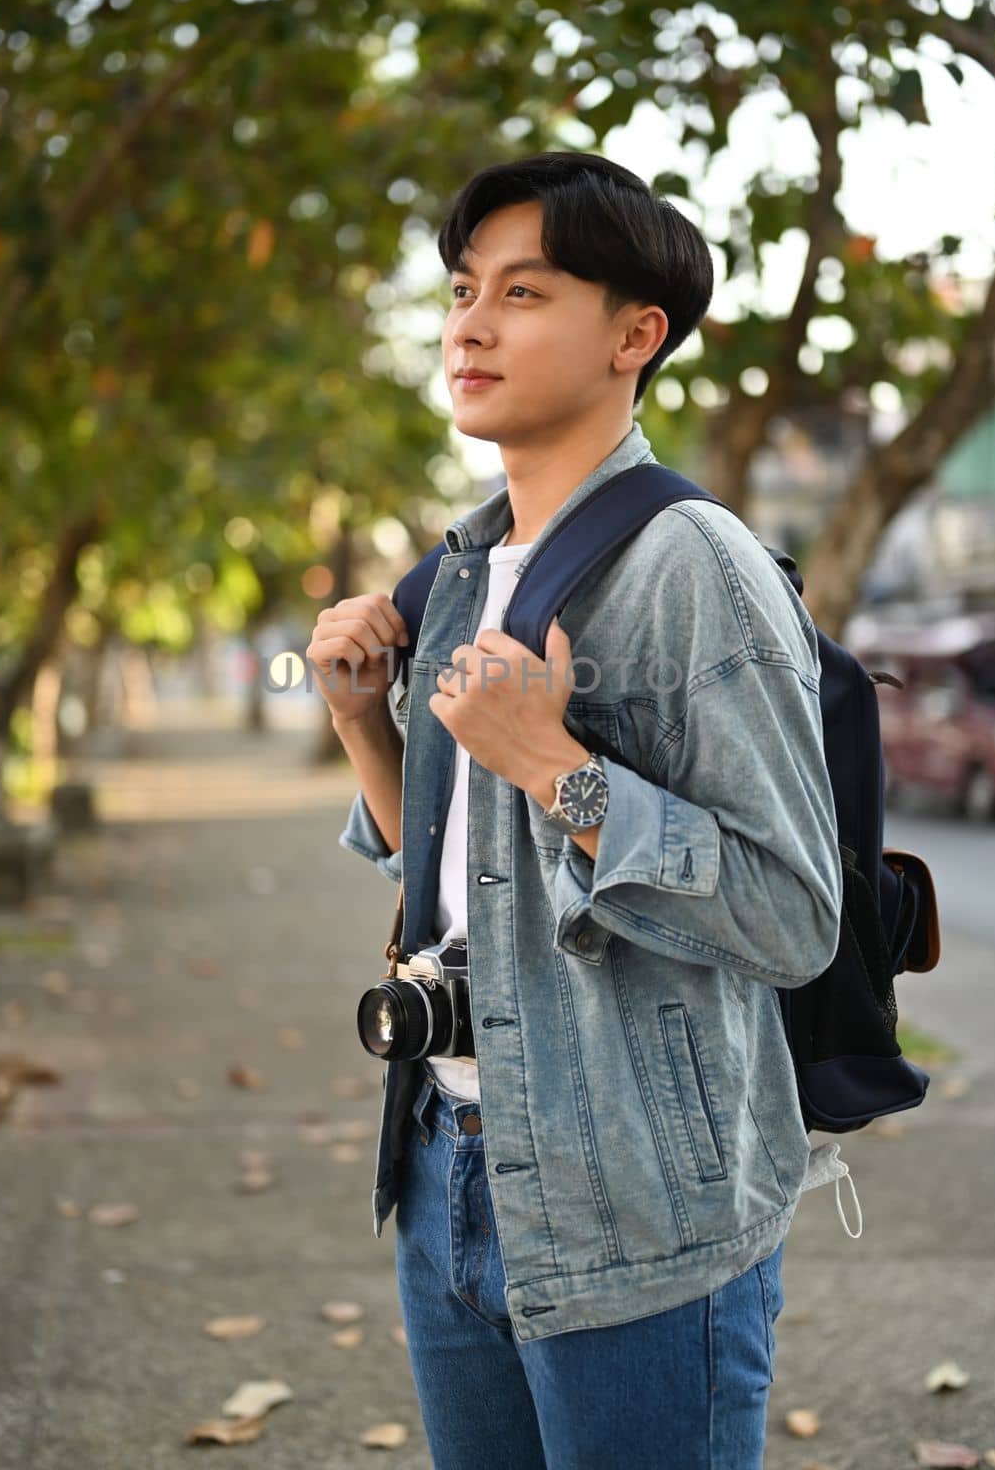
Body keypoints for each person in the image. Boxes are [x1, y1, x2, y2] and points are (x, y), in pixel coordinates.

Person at [310, 152, 843, 1469]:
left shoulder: (695, 570)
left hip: (640, 1196)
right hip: (448, 1166)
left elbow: (790, 914)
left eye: (524, 292)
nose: (470, 325)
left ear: (633, 334)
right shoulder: (457, 570)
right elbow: (436, 881)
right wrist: (357, 719)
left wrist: (558, 765)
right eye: (461, 290)